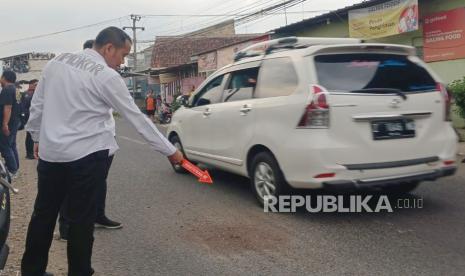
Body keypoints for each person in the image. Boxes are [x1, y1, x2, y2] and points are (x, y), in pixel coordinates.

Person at [21, 27, 184, 276]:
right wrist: (170, 151)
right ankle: (80, 271)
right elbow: (136, 118)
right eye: (123, 55)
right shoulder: (105, 77)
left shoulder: (57, 62)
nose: (122, 62)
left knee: (43, 214)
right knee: (81, 220)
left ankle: (31, 271)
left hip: (52, 155)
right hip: (87, 157)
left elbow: (38, 105)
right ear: (109, 48)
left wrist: (35, 137)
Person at [58, 38, 122, 242]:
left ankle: (97, 215)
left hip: (105, 137)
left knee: (99, 181)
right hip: (79, 140)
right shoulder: (72, 75)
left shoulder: (106, 74)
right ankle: (66, 226)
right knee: (70, 185)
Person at [0, 70, 20, 178]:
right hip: (15, 121)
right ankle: (16, 168)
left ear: (4, 77)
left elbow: (8, 107)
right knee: (12, 145)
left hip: (9, 122)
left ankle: (12, 170)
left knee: (5, 146)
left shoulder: (7, 89)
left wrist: (4, 124)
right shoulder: (16, 89)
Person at [20, 79, 38, 159]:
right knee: (30, 136)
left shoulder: (34, 94)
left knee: (31, 136)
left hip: (31, 117)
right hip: (28, 117)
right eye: (35, 84)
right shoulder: (26, 94)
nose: (37, 86)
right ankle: (30, 154)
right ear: (30, 85)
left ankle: (30, 153)